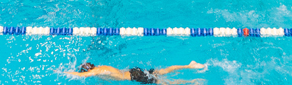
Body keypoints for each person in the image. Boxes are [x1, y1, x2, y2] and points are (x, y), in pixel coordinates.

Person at [70, 61, 208, 83]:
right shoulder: (102, 68)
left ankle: (191, 82)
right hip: (134, 72)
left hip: (135, 76)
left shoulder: (97, 71)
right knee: (162, 71)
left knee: (162, 83)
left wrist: (63, 72)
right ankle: (189, 66)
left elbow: (82, 75)